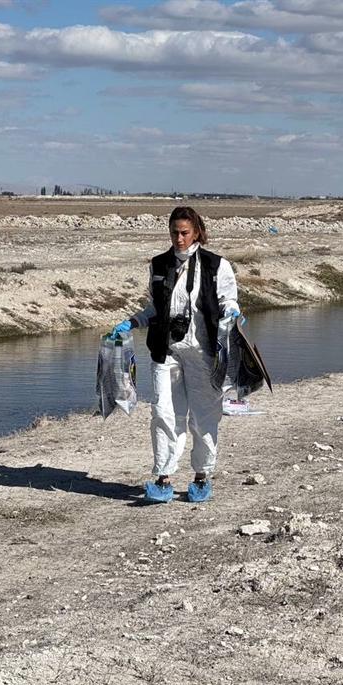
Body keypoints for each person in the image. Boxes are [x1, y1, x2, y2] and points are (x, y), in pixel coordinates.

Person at [109, 206, 240, 503]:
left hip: (203, 354)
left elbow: (227, 300)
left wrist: (232, 313)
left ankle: (201, 476)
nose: (178, 239)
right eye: (173, 232)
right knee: (163, 413)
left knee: (204, 416)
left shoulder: (215, 265)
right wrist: (132, 321)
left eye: (184, 233)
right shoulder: (158, 265)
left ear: (196, 232)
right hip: (166, 352)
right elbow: (155, 308)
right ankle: (163, 478)